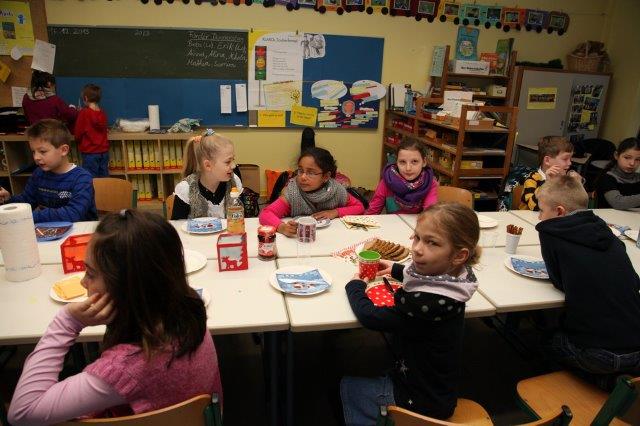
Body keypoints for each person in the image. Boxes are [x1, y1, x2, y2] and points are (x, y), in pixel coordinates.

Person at [8, 210, 222, 425]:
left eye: (91, 273)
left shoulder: (124, 369)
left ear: (127, 287)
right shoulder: (188, 308)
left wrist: (67, 321)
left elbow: (22, 413)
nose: (83, 282)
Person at [341, 203, 481, 422]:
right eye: (417, 237)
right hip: (439, 389)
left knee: (349, 387)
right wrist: (398, 269)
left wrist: (355, 287)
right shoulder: (458, 279)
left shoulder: (423, 305)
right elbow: (431, 276)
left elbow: (370, 316)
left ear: (458, 255)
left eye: (432, 242)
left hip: (416, 400)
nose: (417, 248)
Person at [536, 176, 640, 390]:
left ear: (559, 212)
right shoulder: (605, 230)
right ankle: (623, 378)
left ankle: (600, 382)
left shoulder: (551, 231)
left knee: (544, 338)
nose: (539, 216)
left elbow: (559, 282)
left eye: (541, 210)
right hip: (637, 347)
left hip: (599, 355)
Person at [0, 119, 97, 222]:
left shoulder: (82, 178)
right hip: (49, 229)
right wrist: (8, 199)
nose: (36, 157)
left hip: (80, 229)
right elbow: (26, 201)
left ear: (64, 150)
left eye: (42, 151)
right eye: (33, 152)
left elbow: (73, 213)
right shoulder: (38, 174)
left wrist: (29, 217)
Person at [259, 147, 364, 237]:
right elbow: (266, 213)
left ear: (326, 176)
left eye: (311, 173)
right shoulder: (292, 193)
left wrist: (335, 212)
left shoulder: (336, 190)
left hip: (331, 237)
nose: (303, 177)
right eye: (300, 171)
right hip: (300, 239)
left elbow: (359, 207)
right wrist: (281, 227)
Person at [171, 129, 242, 220]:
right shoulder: (186, 189)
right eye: (228, 162)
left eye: (233, 160)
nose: (233, 165)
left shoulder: (234, 182)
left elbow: (242, 218)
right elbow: (177, 225)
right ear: (208, 165)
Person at [365, 139, 438, 214]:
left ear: (424, 162)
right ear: (396, 162)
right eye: (402, 162)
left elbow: (430, 214)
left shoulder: (429, 182)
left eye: (414, 161)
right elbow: (372, 213)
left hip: (419, 221)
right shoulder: (388, 180)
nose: (408, 168)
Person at [519, 135, 580, 211]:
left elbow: (573, 206)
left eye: (570, 159)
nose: (570, 163)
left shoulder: (564, 180)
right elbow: (534, 206)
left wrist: (577, 185)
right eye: (565, 159)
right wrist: (548, 183)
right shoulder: (532, 179)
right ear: (547, 160)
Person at [74, 84, 109, 178]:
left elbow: (78, 133)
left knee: (90, 179)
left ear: (85, 98)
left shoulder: (84, 113)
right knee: (104, 178)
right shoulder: (102, 113)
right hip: (104, 152)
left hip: (90, 152)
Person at [595, 137, 640, 209]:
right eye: (627, 157)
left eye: (638, 159)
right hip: (608, 216)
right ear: (616, 155)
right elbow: (617, 203)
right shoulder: (607, 178)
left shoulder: (638, 178)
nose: (632, 163)